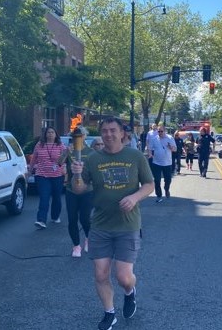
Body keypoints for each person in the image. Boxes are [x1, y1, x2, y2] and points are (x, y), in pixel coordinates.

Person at [70, 117, 154, 330]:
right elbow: (79, 189)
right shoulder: (92, 159)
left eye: (113, 130)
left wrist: (134, 198)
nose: (108, 134)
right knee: (100, 274)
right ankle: (109, 313)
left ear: (122, 133)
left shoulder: (135, 156)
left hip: (127, 225)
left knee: (124, 277)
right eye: (104, 131)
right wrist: (76, 175)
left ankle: (129, 292)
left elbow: (149, 184)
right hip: (100, 225)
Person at [64, 127, 94, 257]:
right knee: (72, 219)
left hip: (88, 189)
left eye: (80, 135)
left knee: (85, 218)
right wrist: (65, 152)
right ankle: (76, 245)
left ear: (85, 136)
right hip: (71, 190)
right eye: (75, 135)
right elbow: (58, 163)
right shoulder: (69, 150)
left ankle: (88, 237)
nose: (78, 137)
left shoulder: (91, 152)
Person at [29, 127, 67, 228]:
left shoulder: (60, 145)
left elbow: (64, 159)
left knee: (56, 198)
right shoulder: (39, 145)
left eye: (52, 132)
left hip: (57, 176)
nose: (50, 134)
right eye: (48, 132)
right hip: (42, 175)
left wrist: (63, 167)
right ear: (45, 134)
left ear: (56, 134)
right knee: (44, 197)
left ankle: (55, 216)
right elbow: (34, 159)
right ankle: (41, 220)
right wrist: (29, 170)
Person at [148, 125, 176, 202]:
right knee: (157, 180)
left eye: (161, 131)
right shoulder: (154, 139)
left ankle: (166, 189)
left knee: (168, 180)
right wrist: (150, 154)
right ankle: (159, 195)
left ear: (165, 131)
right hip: (156, 162)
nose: (160, 133)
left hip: (167, 163)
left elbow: (175, 149)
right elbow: (150, 148)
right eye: (158, 131)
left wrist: (171, 147)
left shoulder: (170, 138)